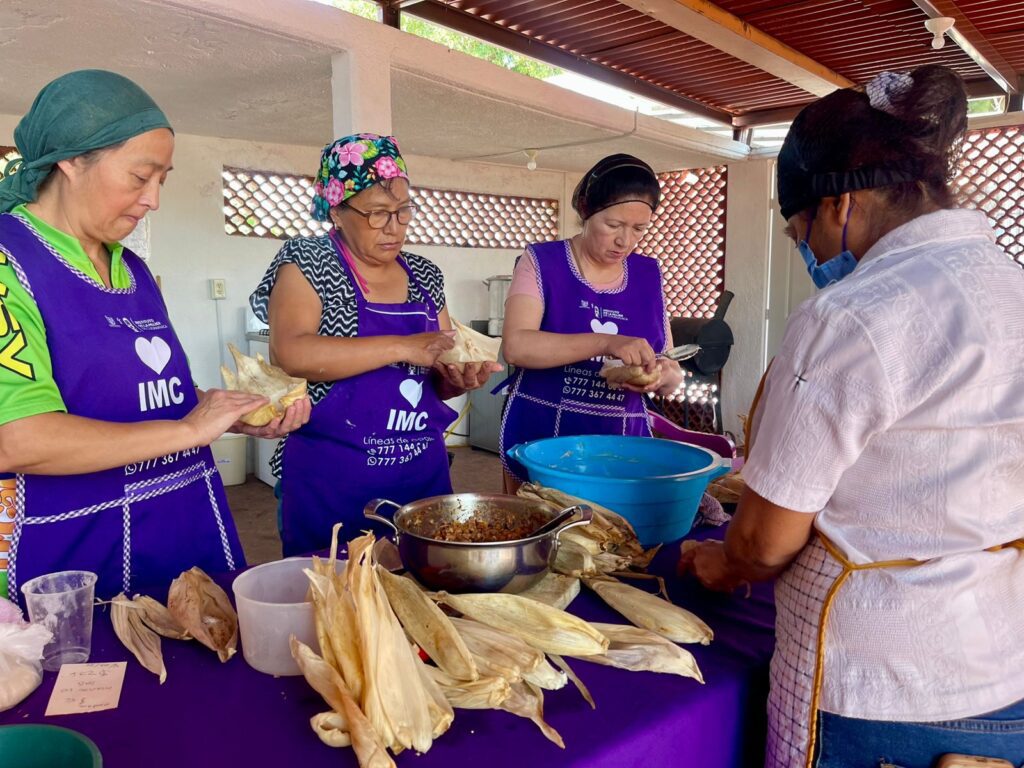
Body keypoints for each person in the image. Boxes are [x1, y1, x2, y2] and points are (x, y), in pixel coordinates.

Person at [680, 66, 1024, 768]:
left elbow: (765, 544)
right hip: (1003, 667)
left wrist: (719, 563)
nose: (806, 249)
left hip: (877, 690)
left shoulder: (852, 314)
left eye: (797, 228)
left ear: (837, 207)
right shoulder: (1009, 284)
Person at [0, 70, 309, 603]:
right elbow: (19, 438)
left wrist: (227, 410)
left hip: (183, 527)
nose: (153, 199)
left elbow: (156, 397)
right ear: (71, 161)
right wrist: (191, 430)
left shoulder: (133, 270)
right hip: (70, 549)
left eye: (162, 179)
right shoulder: (11, 263)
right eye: (140, 176)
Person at [250, 133, 499, 556]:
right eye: (378, 213)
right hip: (331, 480)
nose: (394, 227)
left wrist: (459, 379)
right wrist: (401, 346)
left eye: (404, 211)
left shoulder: (424, 274)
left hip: (419, 473)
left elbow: (435, 373)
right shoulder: (308, 262)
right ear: (337, 210)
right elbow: (291, 353)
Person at [499, 154, 684, 491]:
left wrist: (664, 376)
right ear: (586, 211)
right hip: (541, 441)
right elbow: (516, 346)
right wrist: (606, 342)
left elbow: (667, 363)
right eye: (613, 226)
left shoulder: (648, 275)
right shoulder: (542, 261)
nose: (625, 241)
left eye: (639, 229)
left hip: (621, 449)